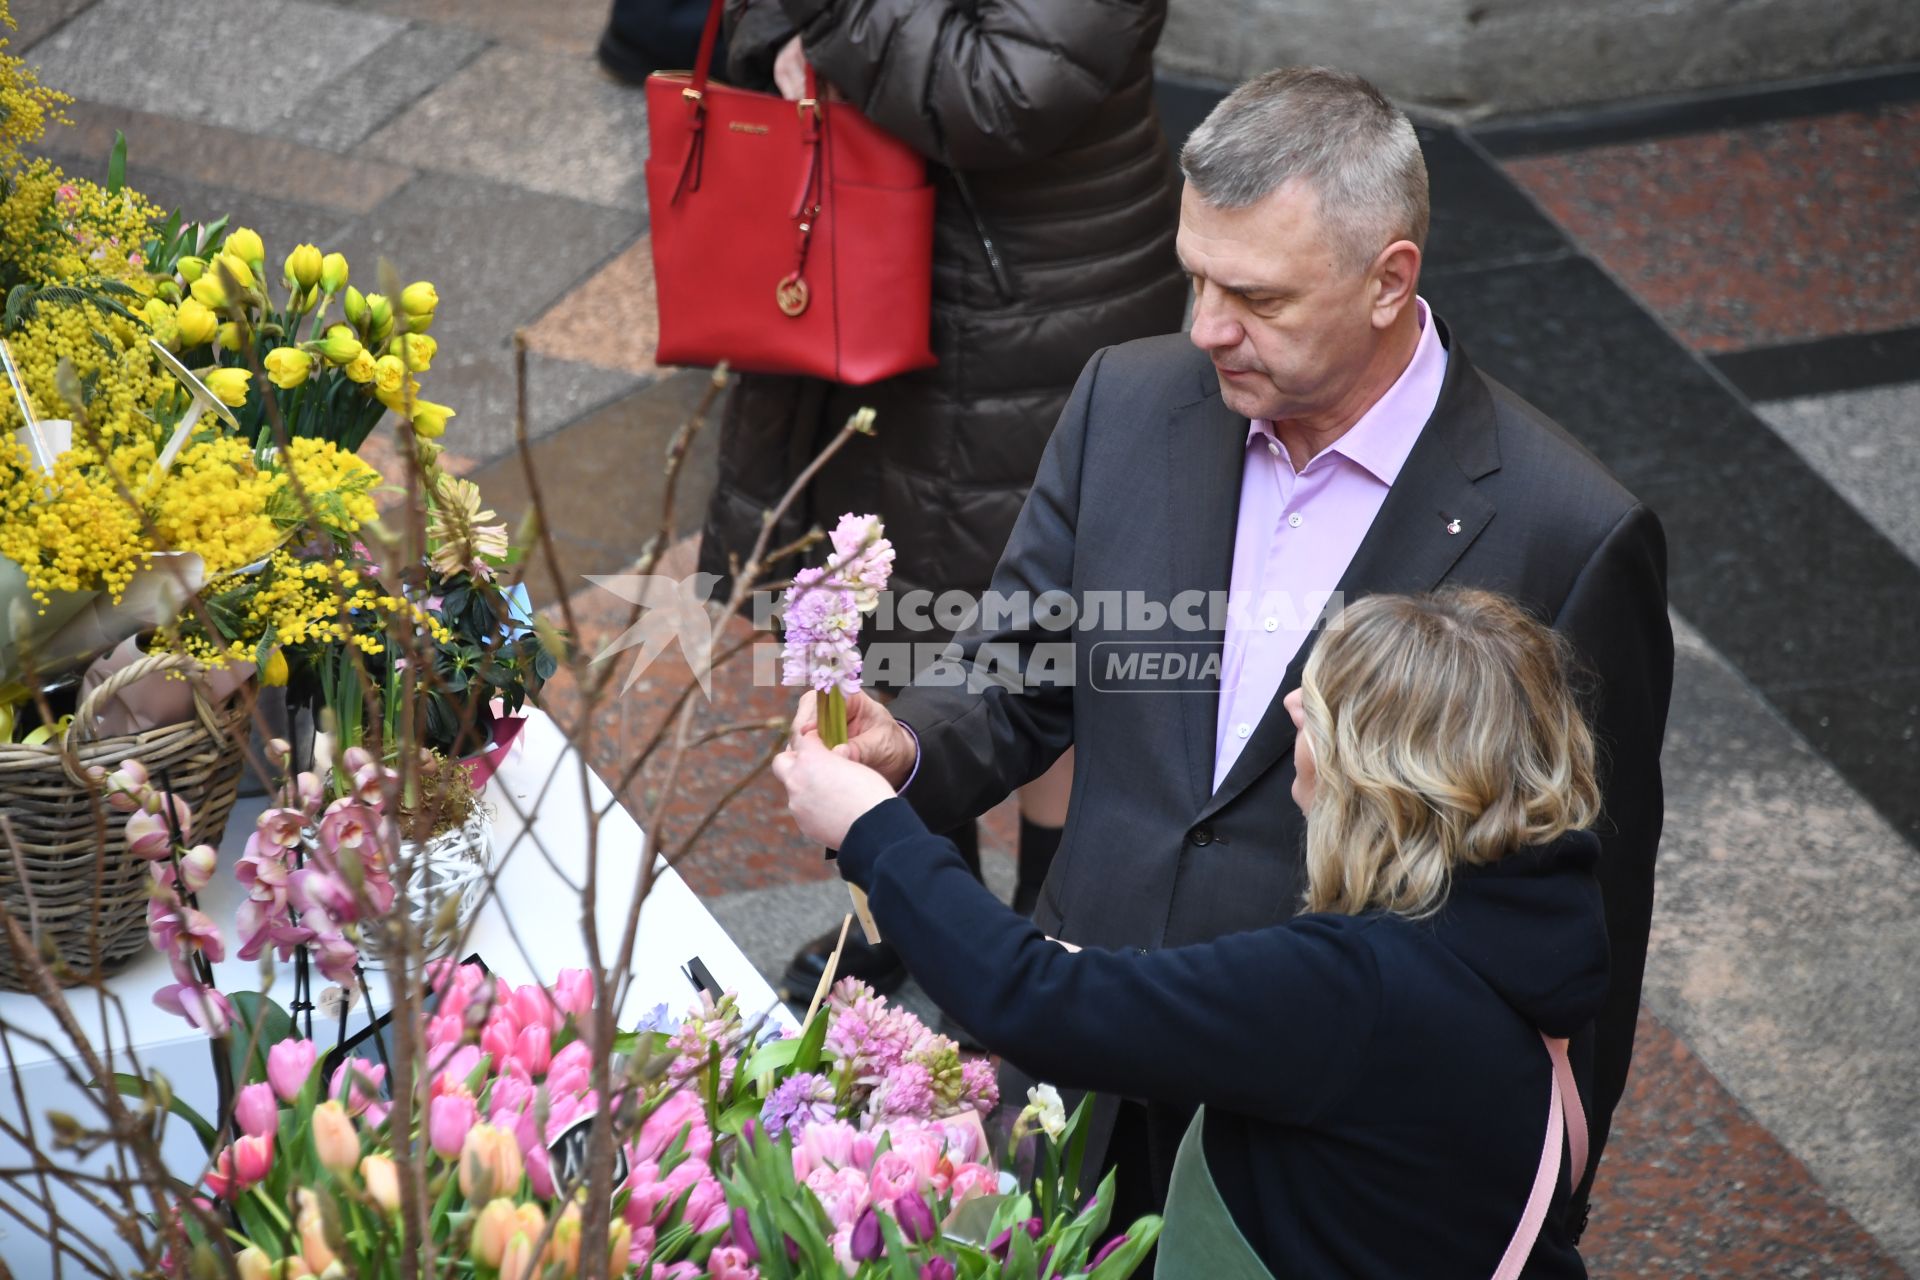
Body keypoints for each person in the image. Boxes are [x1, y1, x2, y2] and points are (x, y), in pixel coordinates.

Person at [790, 66, 1674, 1232]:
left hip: (1315, 1148)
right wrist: (911, 747)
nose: (1207, 326)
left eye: (1254, 296)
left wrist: (1536, 1201)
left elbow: (1594, 921)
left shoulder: (1569, 531)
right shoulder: (1130, 398)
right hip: (1079, 1068)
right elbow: (1017, 667)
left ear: (1388, 281)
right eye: (1194, 275)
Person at [776, 589, 1609, 1278]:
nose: (1289, 707)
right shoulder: (1513, 935)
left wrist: (874, 828)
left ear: (1376, 774)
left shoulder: (1359, 989)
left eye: (1316, 706)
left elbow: (1035, 1003)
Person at [699, 0, 1189, 1002]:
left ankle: (1052, 922)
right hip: (862, 255)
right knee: (887, 609)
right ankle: (916, 899)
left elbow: (1005, 89)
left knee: (1033, 631)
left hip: (1036, 301)